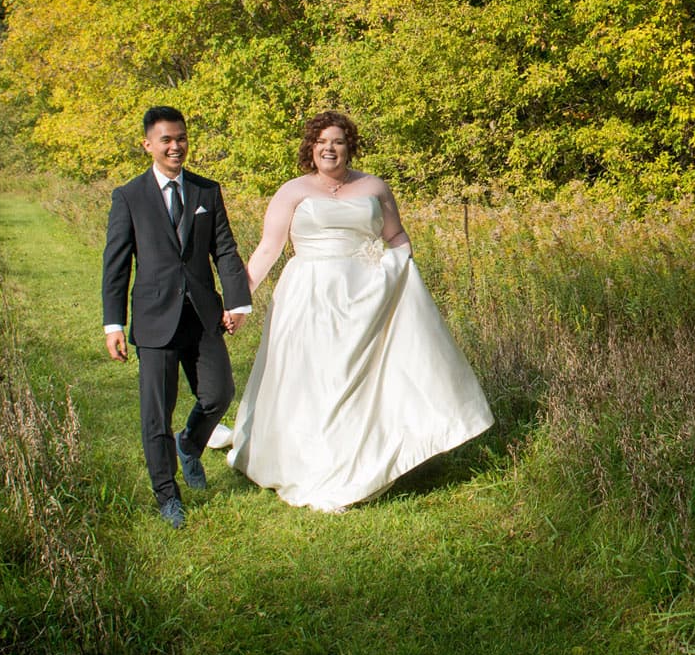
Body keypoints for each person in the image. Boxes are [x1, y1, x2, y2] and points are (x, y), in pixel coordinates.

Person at [210, 111, 492, 511]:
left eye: (338, 141)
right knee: (315, 378)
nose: (330, 148)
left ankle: (360, 462)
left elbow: (395, 236)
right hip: (309, 297)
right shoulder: (292, 191)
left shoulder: (374, 186)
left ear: (349, 146)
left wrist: (400, 275)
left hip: (366, 296)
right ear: (311, 147)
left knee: (359, 379)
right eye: (322, 141)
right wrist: (239, 301)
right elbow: (268, 249)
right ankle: (309, 461)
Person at [102, 106, 252, 529]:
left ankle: (190, 444)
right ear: (148, 144)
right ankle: (167, 494)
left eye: (181, 137)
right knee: (156, 413)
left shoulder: (207, 191)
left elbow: (223, 249)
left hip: (203, 316)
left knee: (219, 394)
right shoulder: (129, 197)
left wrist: (237, 302)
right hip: (154, 320)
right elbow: (116, 265)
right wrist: (113, 323)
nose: (175, 146)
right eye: (166, 139)